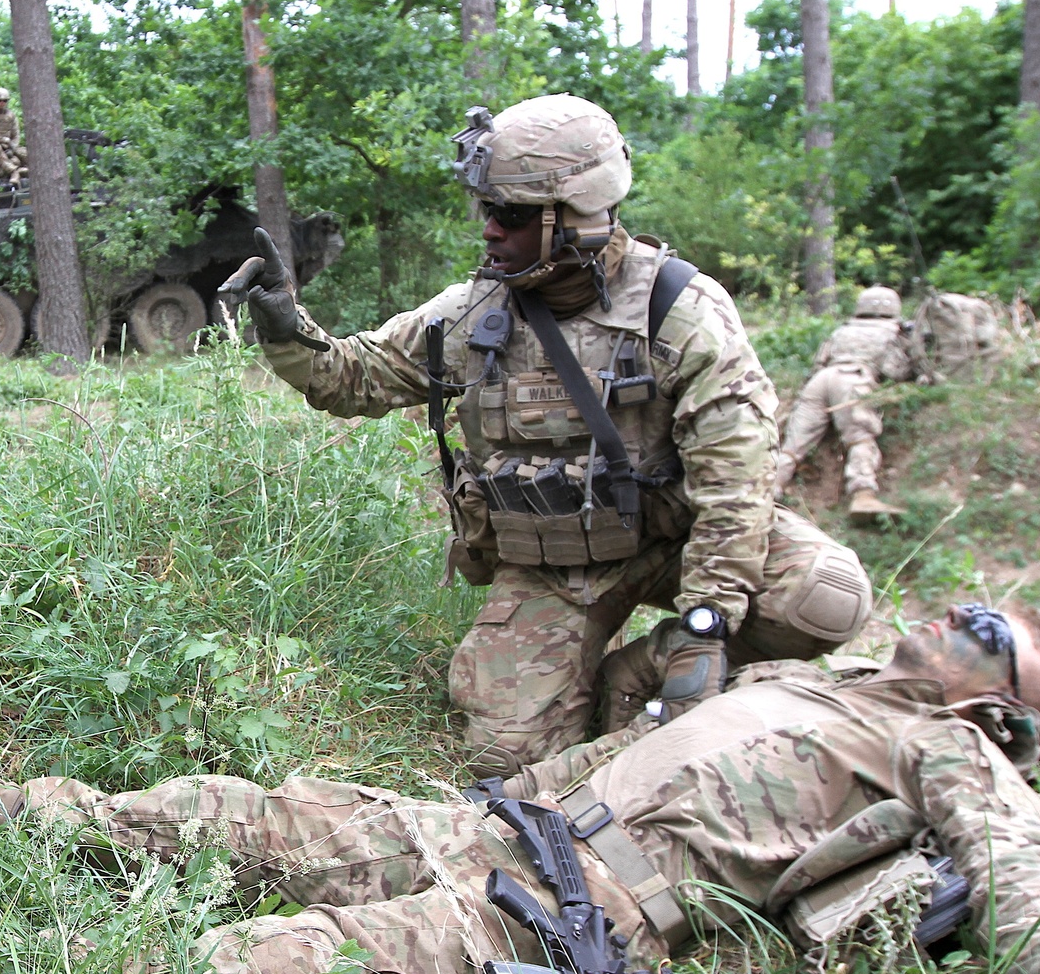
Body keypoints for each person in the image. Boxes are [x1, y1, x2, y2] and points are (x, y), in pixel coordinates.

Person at [0, 601, 1040, 974]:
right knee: (261, 814)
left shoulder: (951, 754)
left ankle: (23, 969)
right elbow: (631, 748)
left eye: (992, 636)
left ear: (1010, 717)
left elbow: (1020, 862)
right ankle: (4, 811)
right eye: (978, 606)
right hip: (514, 828)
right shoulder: (821, 680)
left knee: (310, 969)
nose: (952, 617)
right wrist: (499, 798)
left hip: (583, 909)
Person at [223, 94, 874, 777]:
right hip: (556, 566)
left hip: (672, 543)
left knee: (827, 595)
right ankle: (596, 676)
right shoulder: (473, 312)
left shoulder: (678, 312)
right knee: (505, 754)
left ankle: (645, 664)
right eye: (488, 212)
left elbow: (736, 484)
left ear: (575, 215)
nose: (490, 233)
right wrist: (282, 322)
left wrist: (703, 625)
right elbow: (352, 378)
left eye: (510, 215)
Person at [773, 285, 930, 523]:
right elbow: (894, 369)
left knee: (793, 446)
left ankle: (769, 489)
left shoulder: (843, 331)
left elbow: (819, 362)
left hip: (820, 381)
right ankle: (863, 493)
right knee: (859, 437)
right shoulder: (893, 333)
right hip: (853, 380)